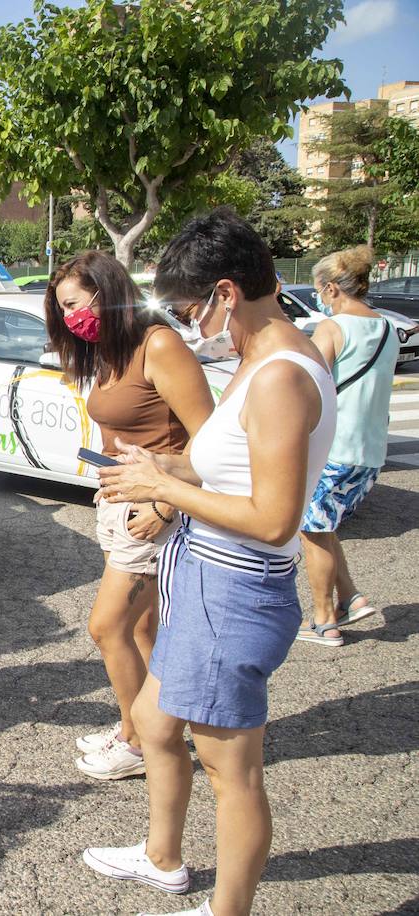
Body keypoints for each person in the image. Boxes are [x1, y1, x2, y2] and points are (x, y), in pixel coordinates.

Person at [87, 209, 336, 916]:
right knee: (156, 722)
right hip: (203, 578)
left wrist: (163, 489)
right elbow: (215, 464)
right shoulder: (259, 360)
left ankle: (228, 910)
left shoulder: (280, 376)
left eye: (193, 309)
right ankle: (163, 858)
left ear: (227, 293)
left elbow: (274, 518)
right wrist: (160, 467)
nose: (190, 327)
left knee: (234, 771)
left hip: (235, 590)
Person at [43, 251, 213, 781]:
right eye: (62, 309)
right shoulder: (110, 349)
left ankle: (141, 744)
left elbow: (212, 445)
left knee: (106, 627)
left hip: (153, 512)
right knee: (141, 628)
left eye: (73, 304)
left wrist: (164, 503)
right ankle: (137, 726)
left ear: (105, 292)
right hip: (121, 503)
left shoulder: (158, 344)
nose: (71, 318)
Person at [296, 246, 397, 647]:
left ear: (333, 288)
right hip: (369, 449)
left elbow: (309, 383)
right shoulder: (388, 327)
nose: (321, 298)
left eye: (321, 291)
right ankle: (351, 598)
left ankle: (323, 621)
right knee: (326, 523)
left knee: (313, 529)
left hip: (333, 449)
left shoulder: (333, 328)